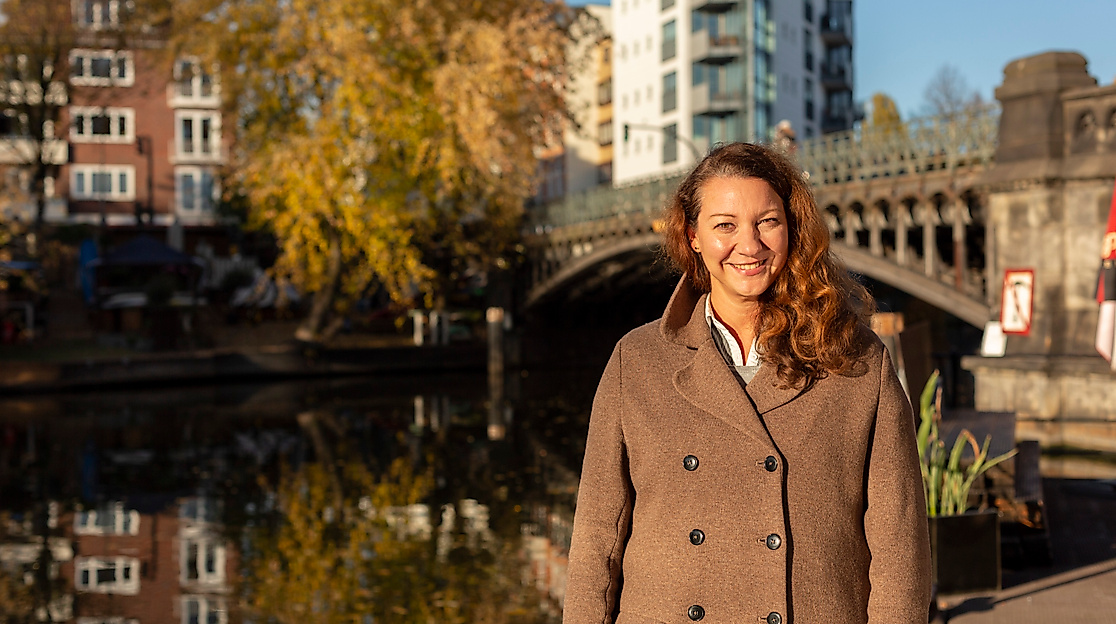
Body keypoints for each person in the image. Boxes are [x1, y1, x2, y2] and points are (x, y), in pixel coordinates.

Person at [563, 142, 930, 624]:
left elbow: (899, 546)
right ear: (693, 236)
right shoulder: (637, 361)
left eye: (767, 222)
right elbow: (597, 538)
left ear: (792, 229)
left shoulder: (856, 361)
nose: (749, 245)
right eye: (724, 225)